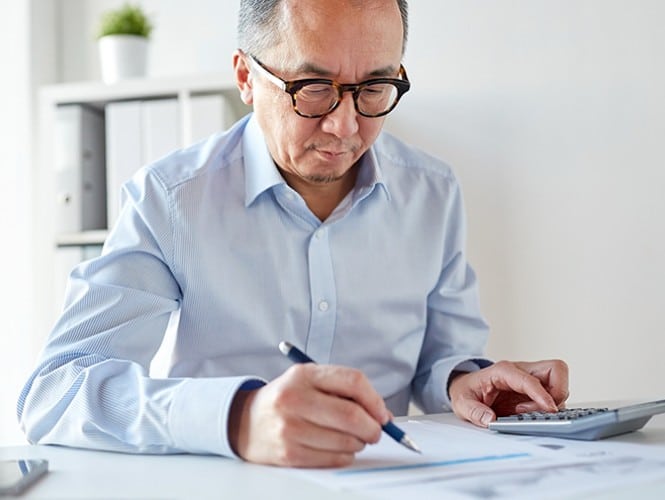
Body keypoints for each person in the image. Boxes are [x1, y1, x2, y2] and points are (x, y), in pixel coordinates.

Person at [18, 0, 569, 468]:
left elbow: (442, 357)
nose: (345, 126)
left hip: (388, 479)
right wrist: (237, 419)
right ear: (245, 79)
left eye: (374, 86)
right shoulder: (170, 198)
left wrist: (463, 381)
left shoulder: (434, 192)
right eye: (311, 88)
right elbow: (55, 394)